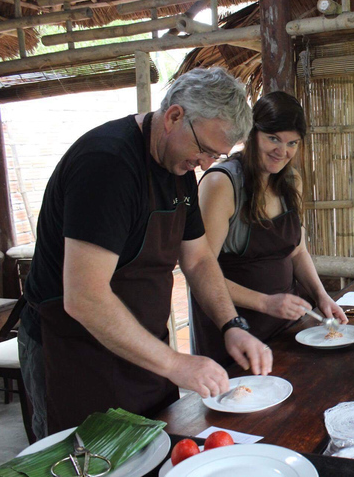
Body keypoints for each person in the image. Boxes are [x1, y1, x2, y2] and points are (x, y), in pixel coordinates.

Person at [18, 67, 272, 438]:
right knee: (86, 458)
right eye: (204, 150)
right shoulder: (107, 165)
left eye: (216, 157)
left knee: (155, 451)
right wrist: (176, 363)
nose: (205, 165)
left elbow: (198, 259)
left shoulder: (178, 167)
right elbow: (85, 298)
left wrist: (232, 325)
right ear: (173, 117)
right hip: (74, 353)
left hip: (140, 350)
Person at [190, 91, 347, 366]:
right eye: (272, 138)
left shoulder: (290, 181)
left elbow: (297, 252)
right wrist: (265, 302)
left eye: (292, 143)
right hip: (234, 332)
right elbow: (201, 271)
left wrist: (322, 296)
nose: (282, 151)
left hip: (286, 329)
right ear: (252, 134)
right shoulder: (221, 183)